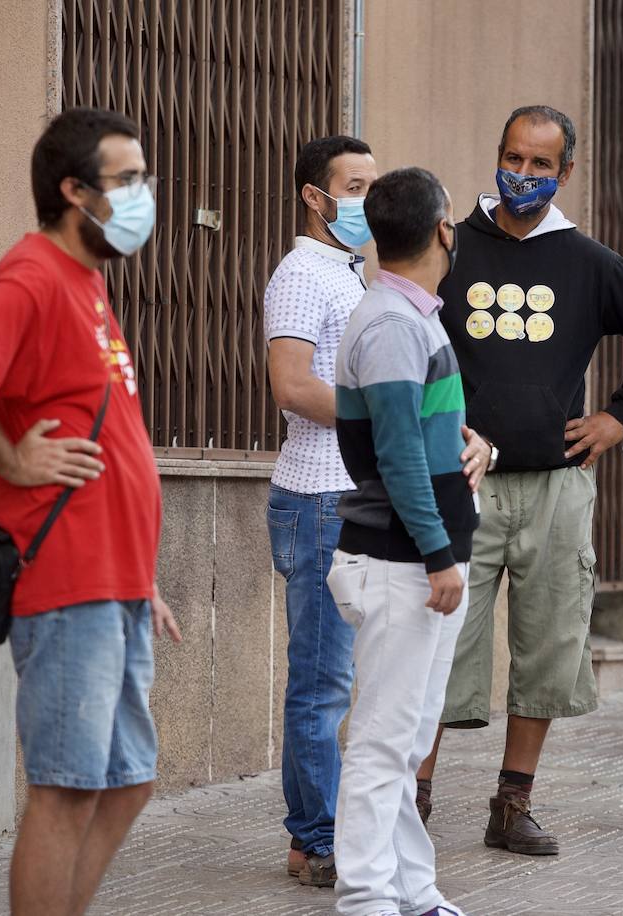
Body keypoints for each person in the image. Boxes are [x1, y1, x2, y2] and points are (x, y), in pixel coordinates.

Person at [0, 107, 182, 916]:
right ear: (74, 190)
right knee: (66, 793)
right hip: (66, 583)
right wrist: (10, 457)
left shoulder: (89, 282)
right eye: (128, 180)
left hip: (115, 583)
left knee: (128, 783)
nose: (145, 195)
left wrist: (143, 576)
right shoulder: (33, 274)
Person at [417, 105, 623, 856]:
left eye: (541, 165)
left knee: (548, 647)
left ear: (566, 172)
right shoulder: (451, 246)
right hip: (460, 485)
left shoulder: (587, 260)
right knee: (439, 646)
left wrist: (619, 418)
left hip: (557, 488)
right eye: (513, 157)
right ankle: (416, 799)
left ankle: (512, 804)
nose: (523, 175)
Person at [328, 166, 485, 916]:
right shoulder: (393, 323)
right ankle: (365, 897)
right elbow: (394, 454)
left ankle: (413, 890)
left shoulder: (414, 315)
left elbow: (423, 433)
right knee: (384, 743)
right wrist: (439, 556)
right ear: (443, 231)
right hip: (401, 563)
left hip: (419, 562)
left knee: (409, 737)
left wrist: (471, 441)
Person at [264, 134, 377, 888]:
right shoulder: (303, 273)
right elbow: (293, 386)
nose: (368, 200)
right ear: (314, 194)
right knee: (322, 681)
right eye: (355, 186)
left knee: (344, 679)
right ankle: (317, 837)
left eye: (374, 185)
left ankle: (319, 837)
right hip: (319, 496)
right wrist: (385, 414)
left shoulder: (351, 273)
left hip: (354, 495)